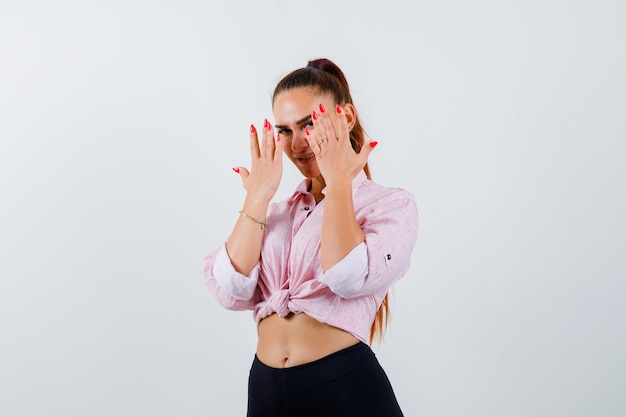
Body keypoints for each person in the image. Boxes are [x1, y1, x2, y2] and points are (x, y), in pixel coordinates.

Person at [203, 58, 418, 417]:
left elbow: (347, 276)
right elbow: (230, 289)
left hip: (345, 387)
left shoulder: (389, 205)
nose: (298, 143)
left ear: (345, 118)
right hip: (267, 389)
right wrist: (257, 196)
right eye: (284, 130)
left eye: (309, 123)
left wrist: (338, 183)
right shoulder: (275, 213)